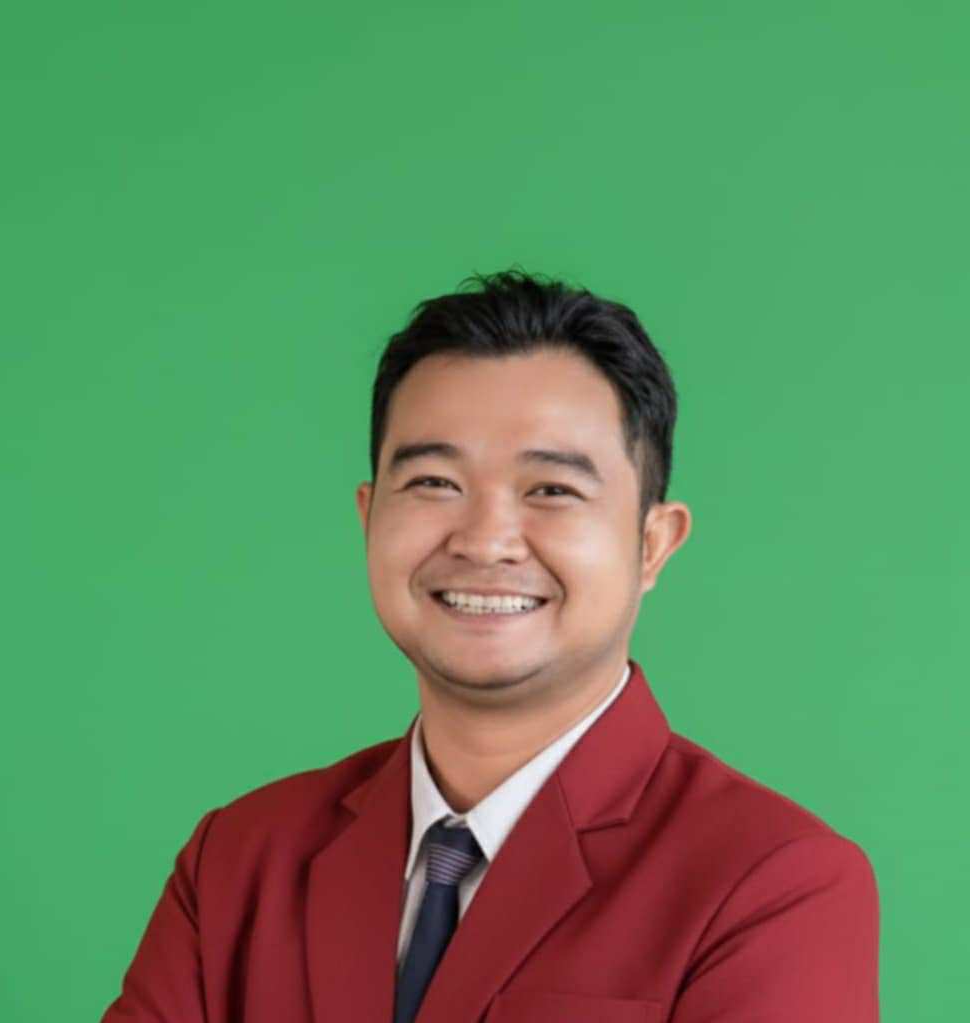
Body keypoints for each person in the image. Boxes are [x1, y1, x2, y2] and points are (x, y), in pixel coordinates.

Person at [100, 270, 880, 1022]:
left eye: (552, 489)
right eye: (434, 483)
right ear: (369, 517)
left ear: (652, 544)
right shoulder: (239, 861)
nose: (484, 539)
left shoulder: (771, 882)